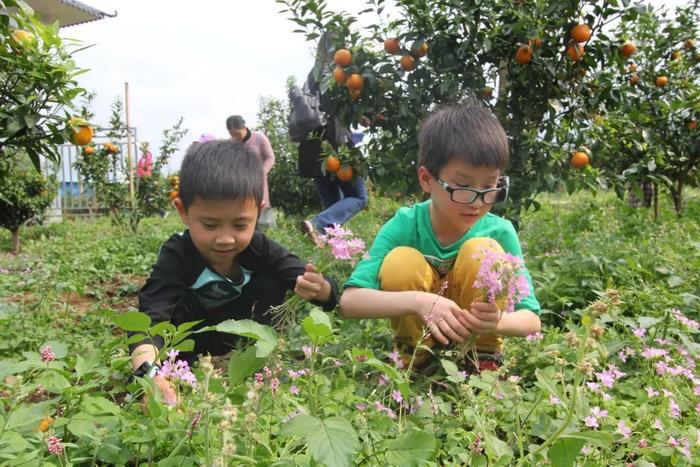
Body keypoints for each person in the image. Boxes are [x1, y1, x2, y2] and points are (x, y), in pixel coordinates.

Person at [129, 140, 338, 404]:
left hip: (242, 332)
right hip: (190, 341)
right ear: (183, 211)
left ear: (257, 213)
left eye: (240, 224)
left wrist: (321, 288)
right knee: (167, 318)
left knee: (276, 275)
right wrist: (150, 374)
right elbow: (150, 316)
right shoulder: (178, 255)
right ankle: (179, 369)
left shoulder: (259, 248)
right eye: (210, 224)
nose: (225, 239)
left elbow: (316, 285)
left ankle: (253, 355)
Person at [339, 103, 541, 373]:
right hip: (421, 344)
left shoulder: (500, 232)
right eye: (463, 186)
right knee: (401, 262)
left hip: (477, 344)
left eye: (489, 186)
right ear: (426, 179)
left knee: (483, 251)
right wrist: (420, 302)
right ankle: (418, 362)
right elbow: (350, 302)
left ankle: (482, 360)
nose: (476, 202)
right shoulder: (404, 226)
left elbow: (531, 320)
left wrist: (498, 321)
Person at [296, 34, 368, 246]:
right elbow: (342, 106)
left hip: (311, 148)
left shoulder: (312, 76)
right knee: (358, 197)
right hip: (335, 145)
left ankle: (331, 252)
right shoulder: (337, 75)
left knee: (334, 204)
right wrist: (362, 114)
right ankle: (317, 223)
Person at [226, 115, 276, 229]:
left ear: (244, 128)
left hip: (257, 179)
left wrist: (263, 171)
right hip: (239, 182)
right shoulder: (230, 143)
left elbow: (270, 157)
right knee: (242, 208)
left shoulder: (259, 138)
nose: (235, 137)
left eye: (237, 134)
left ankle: (267, 233)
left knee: (261, 207)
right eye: (232, 134)